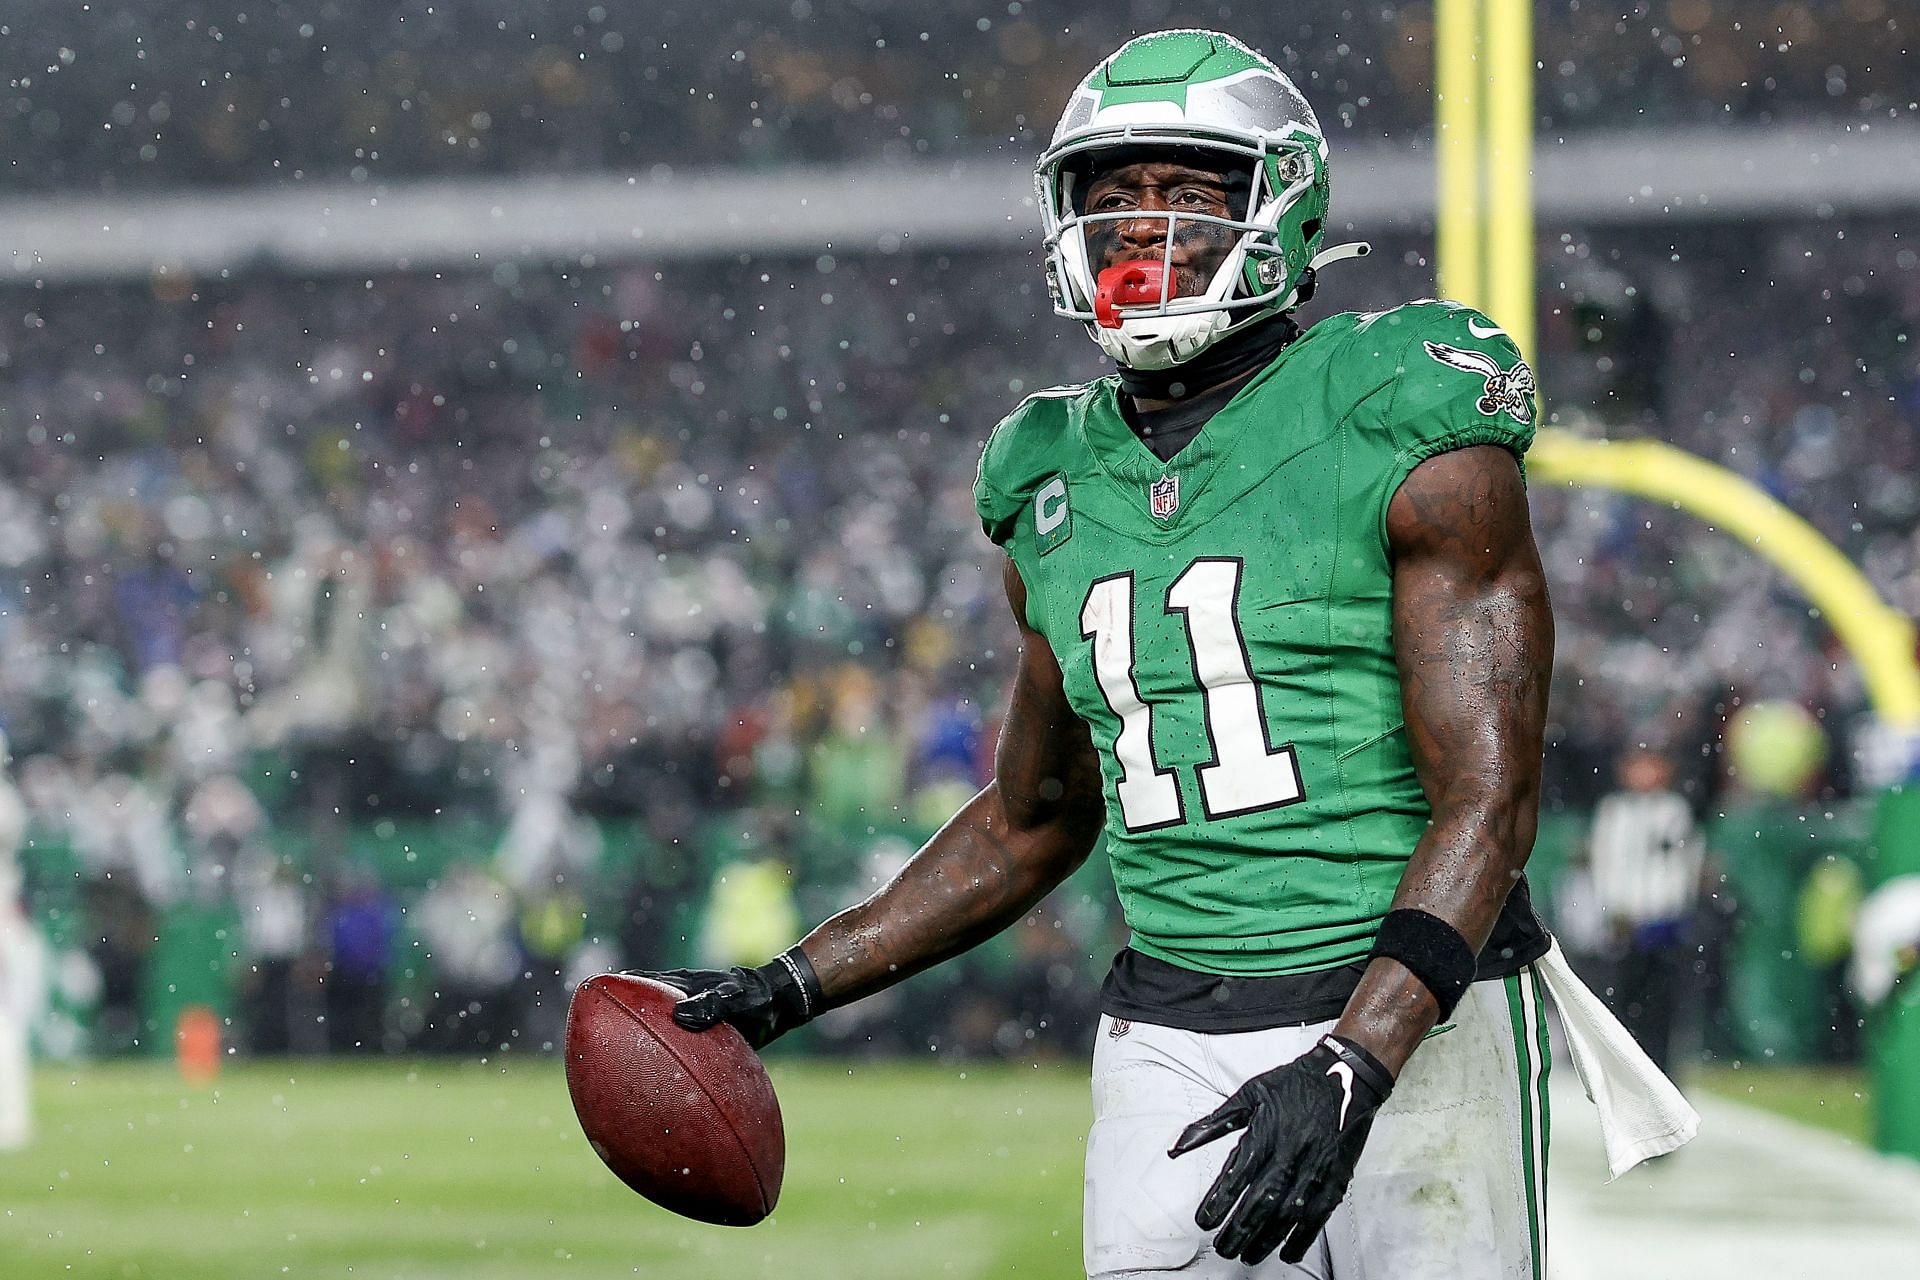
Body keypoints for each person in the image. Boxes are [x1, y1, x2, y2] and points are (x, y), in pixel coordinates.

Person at [639, 30, 1589, 1277]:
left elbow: (1490, 797)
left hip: (1416, 1007)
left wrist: (1360, 1056)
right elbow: (1035, 814)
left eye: (1189, 194)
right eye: (1110, 199)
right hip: (1172, 1025)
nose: (1141, 230)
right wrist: (789, 985)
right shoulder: (1050, 470)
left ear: (1280, 206)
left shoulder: (1394, 402)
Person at [1582, 747, 1706, 1073]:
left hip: (1662, 926)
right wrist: (1614, 910)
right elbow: (1604, 865)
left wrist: (1668, 910)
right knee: (1623, 1003)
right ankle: (1627, 1070)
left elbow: (1683, 868)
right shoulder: (1614, 811)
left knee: (1661, 1007)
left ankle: (1661, 1070)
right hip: (1623, 925)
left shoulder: (1673, 810)